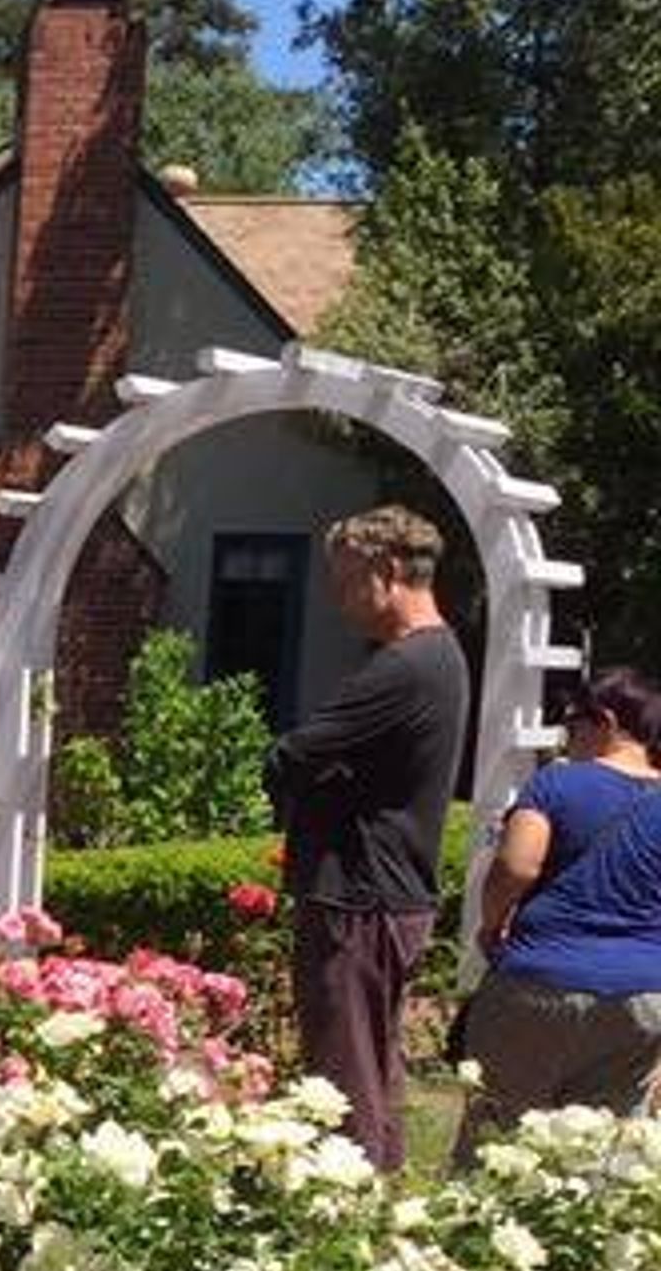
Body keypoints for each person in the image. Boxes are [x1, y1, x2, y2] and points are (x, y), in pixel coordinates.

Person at [266, 502, 469, 1173]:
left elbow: (292, 754)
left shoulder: (404, 668)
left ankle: (344, 1216)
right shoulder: (438, 658)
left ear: (387, 570)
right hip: (385, 896)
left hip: (358, 899)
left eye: (347, 579)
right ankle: (375, 1205)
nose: (338, 599)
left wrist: (309, 777)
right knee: (372, 1067)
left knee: (343, 1075)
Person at [455, 664, 661, 1163]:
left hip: (539, 984)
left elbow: (517, 865)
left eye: (572, 724)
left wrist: (490, 925)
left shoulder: (556, 784)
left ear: (606, 721)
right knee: (600, 1155)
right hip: (643, 999)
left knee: (496, 1142)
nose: (568, 739)